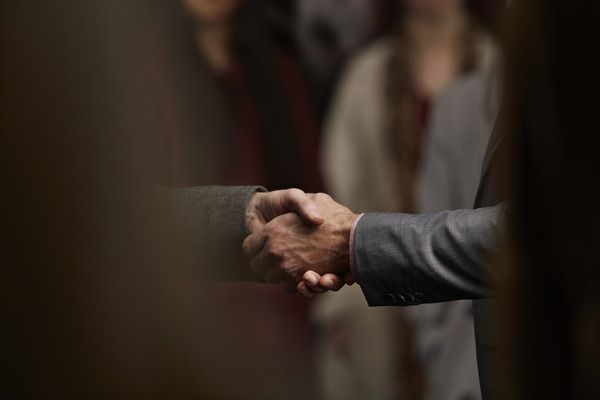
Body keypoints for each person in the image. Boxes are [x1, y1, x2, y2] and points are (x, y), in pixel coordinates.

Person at [313, 0, 498, 396]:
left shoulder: (499, 65)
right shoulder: (365, 76)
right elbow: (338, 187)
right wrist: (338, 310)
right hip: (377, 296)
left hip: (474, 299)